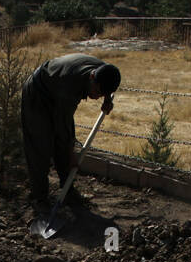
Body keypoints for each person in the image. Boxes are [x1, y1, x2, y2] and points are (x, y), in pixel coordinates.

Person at [21, 53, 120, 209]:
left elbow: (107, 84)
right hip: (38, 93)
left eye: (101, 94)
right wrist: (71, 153)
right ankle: (40, 198)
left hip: (56, 89)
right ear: (92, 78)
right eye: (96, 91)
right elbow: (63, 125)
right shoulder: (69, 86)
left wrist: (107, 99)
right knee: (40, 146)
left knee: (63, 144)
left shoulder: (104, 71)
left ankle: (67, 190)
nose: (96, 97)